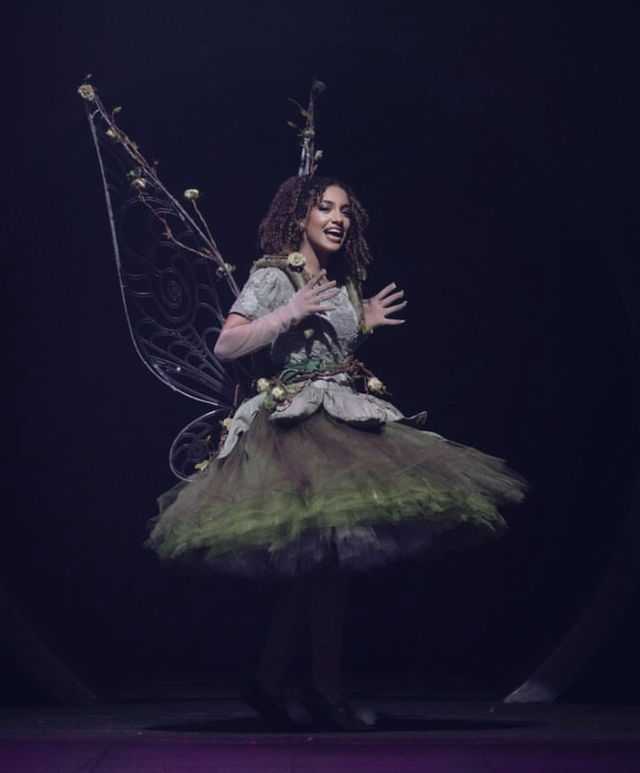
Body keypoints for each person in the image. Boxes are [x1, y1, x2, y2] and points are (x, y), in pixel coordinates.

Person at [146, 174, 526, 730]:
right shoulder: (275, 274)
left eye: (345, 211)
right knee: (324, 568)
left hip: (342, 415)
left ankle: (275, 683)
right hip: (296, 426)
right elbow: (227, 344)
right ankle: (320, 691)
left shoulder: (343, 281)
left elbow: (328, 346)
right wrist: (289, 312)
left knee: (325, 569)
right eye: (325, 207)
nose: (338, 219)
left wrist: (360, 322)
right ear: (300, 216)